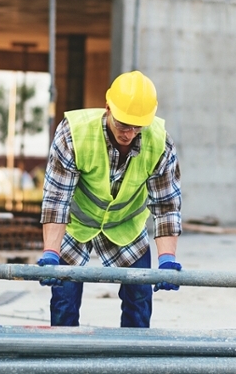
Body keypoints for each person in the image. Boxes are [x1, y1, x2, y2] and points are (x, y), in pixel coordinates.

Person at [38, 70, 183, 328]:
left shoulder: (160, 144)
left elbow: (166, 206)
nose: (129, 133)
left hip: (125, 227)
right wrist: (51, 251)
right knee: (64, 298)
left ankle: (132, 361)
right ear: (107, 108)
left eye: (137, 126)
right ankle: (61, 359)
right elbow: (56, 199)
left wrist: (167, 259)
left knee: (139, 297)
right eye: (123, 124)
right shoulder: (73, 134)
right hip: (77, 224)